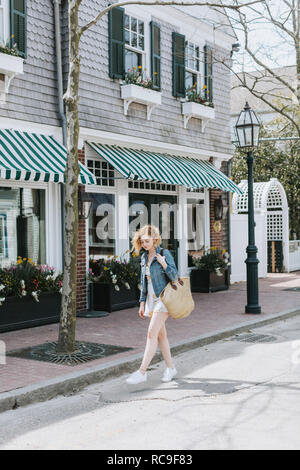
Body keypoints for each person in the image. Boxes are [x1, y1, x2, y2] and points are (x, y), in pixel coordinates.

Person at [126, 224, 178, 385]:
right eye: (142, 242)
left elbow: (174, 275)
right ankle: (171, 368)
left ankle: (142, 372)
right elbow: (143, 281)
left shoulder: (164, 253)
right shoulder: (143, 258)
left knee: (151, 334)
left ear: (155, 240)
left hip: (163, 299)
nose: (144, 244)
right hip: (151, 300)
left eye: (147, 241)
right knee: (161, 336)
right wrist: (142, 303)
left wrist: (163, 263)